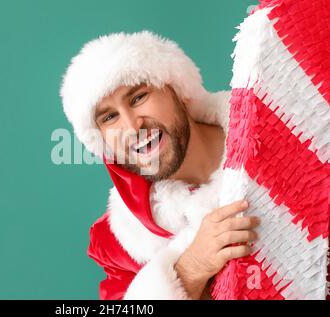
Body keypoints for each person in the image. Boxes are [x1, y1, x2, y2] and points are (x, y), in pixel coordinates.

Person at [59, 30, 260, 299]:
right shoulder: (122, 244)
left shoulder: (277, 124)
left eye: (138, 97)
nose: (131, 127)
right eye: (109, 118)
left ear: (177, 90)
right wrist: (190, 270)